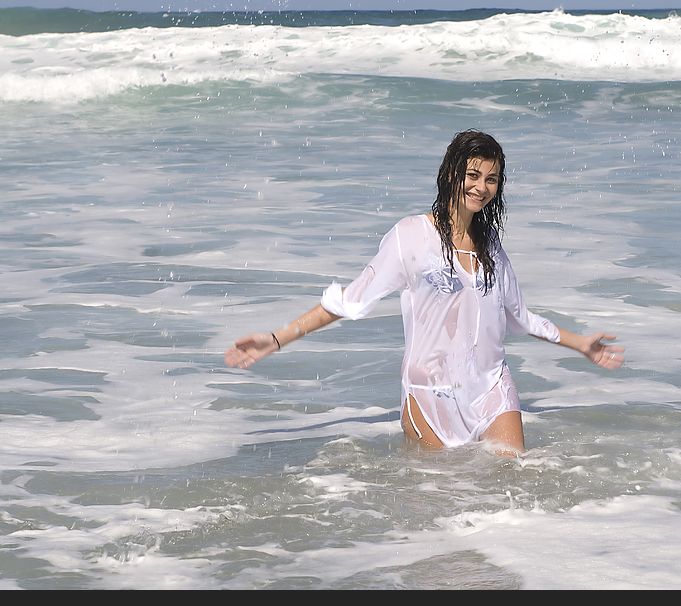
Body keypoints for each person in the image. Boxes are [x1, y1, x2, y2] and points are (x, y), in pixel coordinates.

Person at [224, 130, 624, 456]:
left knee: (512, 488)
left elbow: (519, 317)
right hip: (430, 393)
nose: (481, 187)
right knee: (441, 505)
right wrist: (276, 339)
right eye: (472, 175)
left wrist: (580, 344)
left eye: (491, 178)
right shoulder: (411, 236)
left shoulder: (493, 250)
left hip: (490, 387)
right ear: (452, 174)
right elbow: (351, 301)